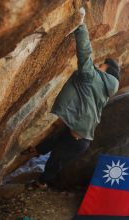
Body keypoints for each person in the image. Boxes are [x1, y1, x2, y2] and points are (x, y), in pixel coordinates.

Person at [23, 8, 120, 189]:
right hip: (78, 136)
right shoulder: (105, 90)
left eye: (102, 65)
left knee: (55, 159)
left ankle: (42, 183)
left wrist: (80, 25)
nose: (98, 66)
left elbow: (84, 53)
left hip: (77, 140)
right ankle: (36, 151)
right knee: (55, 139)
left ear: (107, 72)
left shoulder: (93, 77)